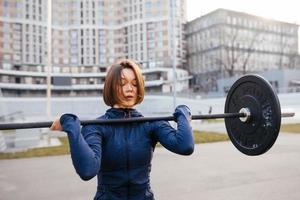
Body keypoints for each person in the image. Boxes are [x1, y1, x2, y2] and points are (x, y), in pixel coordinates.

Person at [50, 58, 194, 200]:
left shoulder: (151, 124)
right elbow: (87, 170)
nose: (129, 89)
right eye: (122, 83)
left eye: (135, 84)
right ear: (111, 87)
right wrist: (70, 124)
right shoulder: (96, 127)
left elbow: (185, 146)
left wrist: (182, 112)